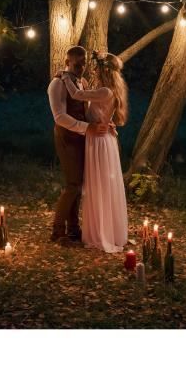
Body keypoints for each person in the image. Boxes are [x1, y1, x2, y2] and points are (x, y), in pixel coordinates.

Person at [59, 50, 128, 253]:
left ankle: (101, 232)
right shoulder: (107, 91)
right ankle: (104, 229)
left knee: (99, 185)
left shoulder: (105, 91)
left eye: (96, 68)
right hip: (100, 138)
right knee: (100, 184)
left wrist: (64, 76)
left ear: (103, 71)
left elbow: (76, 94)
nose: (94, 71)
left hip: (98, 140)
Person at [46, 46, 109, 244]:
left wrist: (101, 123)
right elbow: (59, 117)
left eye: (83, 65)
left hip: (82, 136)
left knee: (79, 184)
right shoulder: (57, 84)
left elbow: (85, 111)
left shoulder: (82, 83)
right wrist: (87, 127)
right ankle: (57, 231)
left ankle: (73, 229)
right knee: (72, 184)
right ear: (67, 62)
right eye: (77, 65)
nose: (81, 68)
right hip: (66, 137)